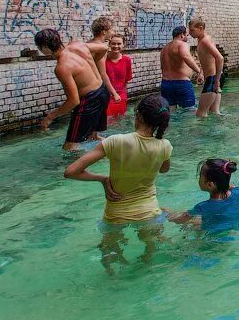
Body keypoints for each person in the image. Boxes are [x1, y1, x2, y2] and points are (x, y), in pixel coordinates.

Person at [64, 94, 173, 272]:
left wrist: (102, 179)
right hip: (149, 213)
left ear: (138, 116)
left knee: (110, 262)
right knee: (149, 259)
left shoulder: (117, 141)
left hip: (116, 215)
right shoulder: (165, 146)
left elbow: (70, 172)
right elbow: (164, 169)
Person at [36, 28, 109, 151]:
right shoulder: (77, 45)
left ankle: (80, 168)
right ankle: (107, 155)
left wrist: (50, 117)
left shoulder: (62, 67)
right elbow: (104, 48)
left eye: (39, 48)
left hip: (90, 100)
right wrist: (94, 64)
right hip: (103, 91)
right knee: (93, 137)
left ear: (45, 48)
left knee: (70, 147)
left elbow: (74, 101)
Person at [166, 158, 239, 233]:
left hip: (214, 235)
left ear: (210, 185)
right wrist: (227, 186)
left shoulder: (202, 207)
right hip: (238, 227)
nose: (198, 179)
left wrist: (166, 215)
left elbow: (180, 219)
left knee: (190, 224)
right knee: (199, 220)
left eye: (200, 177)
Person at [84, 17, 121, 129]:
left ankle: (94, 136)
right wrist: (114, 93)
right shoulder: (101, 47)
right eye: (111, 29)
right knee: (94, 117)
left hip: (85, 86)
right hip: (95, 88)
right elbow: (102, 74)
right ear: (104, 31)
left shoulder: (88, 44)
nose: (113, 32)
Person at [190, 18, 224, 119]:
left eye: (192, 30)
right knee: (214, 113)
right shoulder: (200, 40)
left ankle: (201, 134)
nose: (189, 33)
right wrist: (201, 73)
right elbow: (206, 59)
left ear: (200, 28)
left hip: (213, 79)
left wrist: (216, 80)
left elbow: (220, 58)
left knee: (200, 114)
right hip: (213, 78)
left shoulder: (205, 41)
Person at [160, 26, 201, 110]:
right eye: (186, 35)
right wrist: (199, 71)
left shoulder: (164, 49)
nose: (187, 37)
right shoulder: (182, 44)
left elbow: (162, 67)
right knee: (189, 111)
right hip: (181, 83)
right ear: (182, 35)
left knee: (171, 112)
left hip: (165, 84)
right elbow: (185, 56)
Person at [104, 33, 133, 127]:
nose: (116, 46)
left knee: (120, 124)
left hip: (121, 97)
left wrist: (124, 98)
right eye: (113, 43)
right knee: (107, 124)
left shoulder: (127, 60)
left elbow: (126, 81)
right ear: (109, 45)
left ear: (123, 45)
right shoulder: (103, 60)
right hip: (106, 98)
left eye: (119, 44)